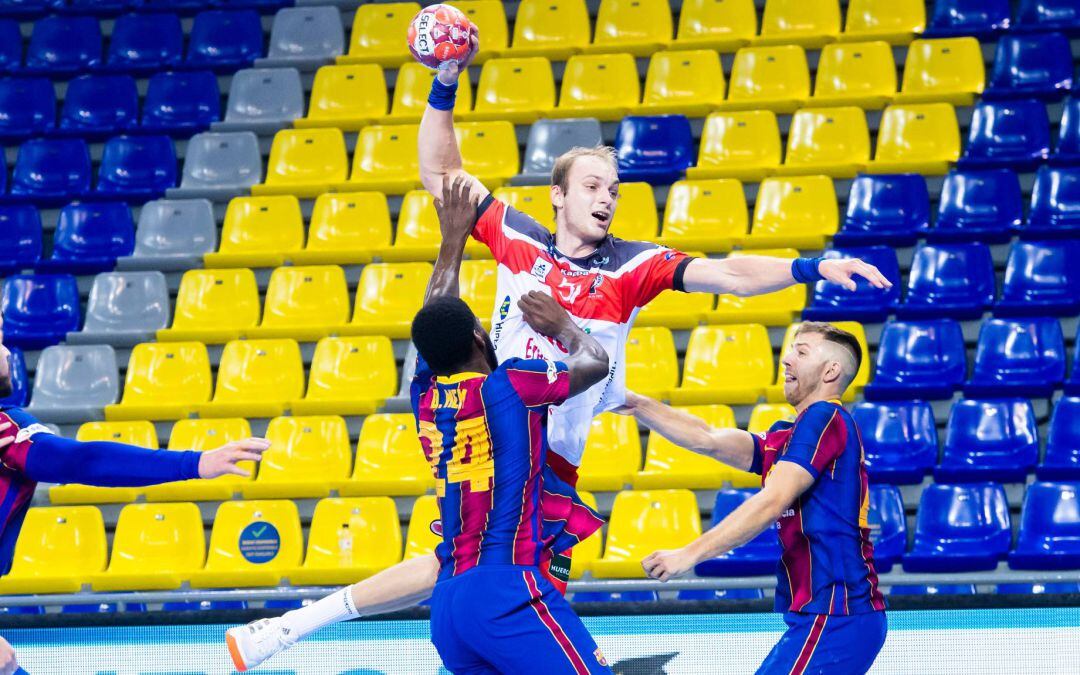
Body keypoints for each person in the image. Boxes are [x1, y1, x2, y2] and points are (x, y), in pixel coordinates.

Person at [419, 43, 893, 591]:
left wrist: (811, 267)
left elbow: (732, 278)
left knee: (522, 591)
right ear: (558, 194)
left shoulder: (633, 266)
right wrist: (446, 80)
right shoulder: (516, 236)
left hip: (549, 461)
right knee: (466, 579)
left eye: (614, 192)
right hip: (486, 440)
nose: (606, 199)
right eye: (593, 187)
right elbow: (442, 173)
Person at [227, 177, 612, 674]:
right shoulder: (513, 385)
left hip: (447, 605)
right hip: (505, 589)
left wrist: (451, 241)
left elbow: (435, 321)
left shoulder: (425, 396)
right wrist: (562, 325)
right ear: (480, 336)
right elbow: (596, 362)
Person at [0, 320, 270, 674]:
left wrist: (195, 463)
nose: (8, 351)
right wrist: (196, 463)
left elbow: (82, 461)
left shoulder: (9, 431)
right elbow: (83, 461)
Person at [629, 322, 887, 674]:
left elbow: (772, 500)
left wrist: (687, 555)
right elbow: (706, 438)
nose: (787, 360)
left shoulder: (825, 417)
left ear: (831, 371)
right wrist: (634, 404)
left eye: (802, 352)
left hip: (836, 613)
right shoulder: (791, 435)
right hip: (825, 616)